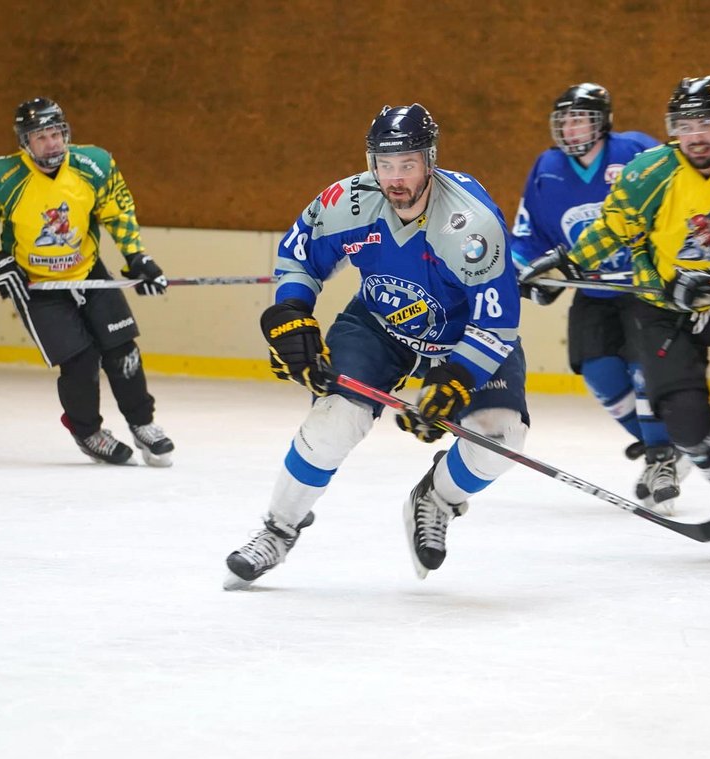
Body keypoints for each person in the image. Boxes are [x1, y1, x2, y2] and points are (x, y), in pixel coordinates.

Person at [223, 104, 529, 588]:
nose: (395, 179)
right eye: (385, 165)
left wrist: (456, 379)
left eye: (407, 164)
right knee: (334, 420)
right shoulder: (348, 200)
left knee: (500, 439)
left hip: (461, 336)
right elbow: (298, 255)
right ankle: (278, 529)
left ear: (430, 160)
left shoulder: (470, 226)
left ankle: (436, 498)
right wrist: (292, 314)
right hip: (380, 323)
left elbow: (497, 322)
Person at [524, 75, 710, 563]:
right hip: (666, 305)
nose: (695, 133)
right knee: (679, 420)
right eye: (684, 123)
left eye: (706, 121)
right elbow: (612, 227)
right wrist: (562, 262)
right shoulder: (648, 173)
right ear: (672, 128)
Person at [0, 97, 175, 467]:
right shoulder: (2, 177)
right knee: (80, 360)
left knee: (123, 349)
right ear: (24, 143)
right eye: (40, 137)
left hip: (89, 273)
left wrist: (137, 257)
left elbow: (117, 211)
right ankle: (87, 431)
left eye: (56, 133)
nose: (52, 143)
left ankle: (142, 423)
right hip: (37, 286)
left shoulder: (94, 165)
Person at [510, 82, 687, 514]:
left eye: (580, 118)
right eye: (564, 120)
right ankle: (661, 447)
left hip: (643, 288)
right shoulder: (547, 168)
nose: (570, 128)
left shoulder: (636, 152)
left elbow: (681, 203)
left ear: (603, 121)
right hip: (592, 290)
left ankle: (662, 457)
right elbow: (527, 234)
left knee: (642, 368)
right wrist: (528, 274)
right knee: (602, 377)